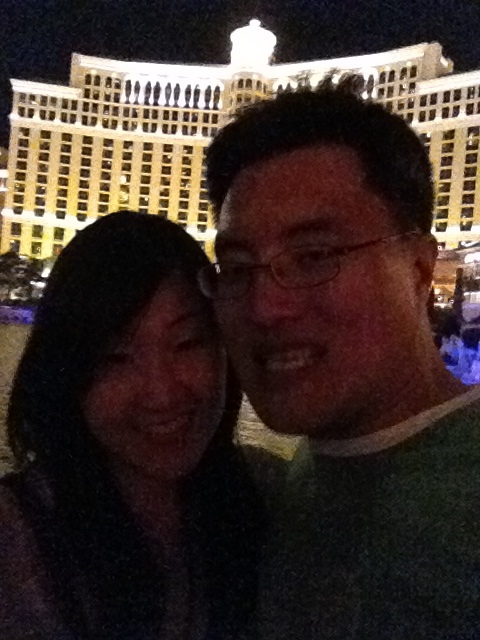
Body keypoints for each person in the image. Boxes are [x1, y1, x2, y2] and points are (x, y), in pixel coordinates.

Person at [199, 80, 480, 638]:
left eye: (313, 256)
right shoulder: (299, 479)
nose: (263, 307)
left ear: (420, 270)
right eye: (237, 267)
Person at [1, 210, 264, 640]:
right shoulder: (16, 541)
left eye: (187, 343)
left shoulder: (267, 496)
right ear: (67, 372)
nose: (162, 394)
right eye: (116, 357)